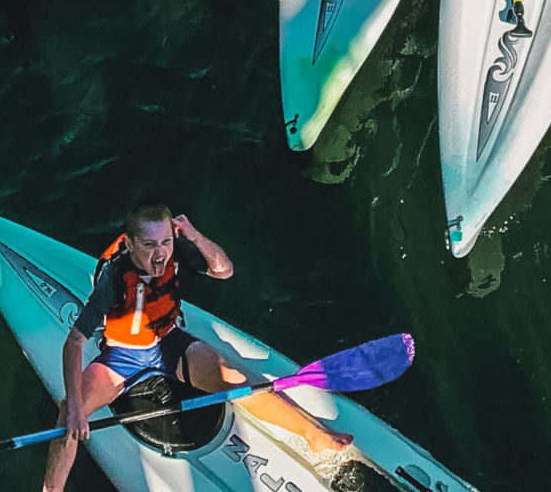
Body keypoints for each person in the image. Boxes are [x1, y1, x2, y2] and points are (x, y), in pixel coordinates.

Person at [45, 200, 350, 492]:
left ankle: (316, 436)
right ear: (130, 244)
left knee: (236, 380)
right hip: (122, 357)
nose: (159, 254)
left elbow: (224, 270)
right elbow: (74, 342)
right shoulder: (112, 276)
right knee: (68, 414)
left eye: (165, 243)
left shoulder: (176, 253)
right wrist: (75, 411)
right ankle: (52, 488)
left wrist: (193, 236)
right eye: (149, 245)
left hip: (169, 343)